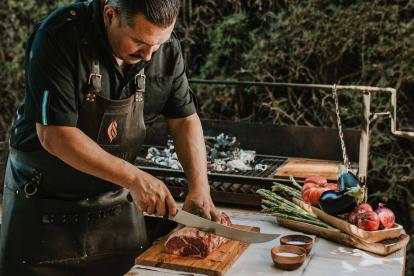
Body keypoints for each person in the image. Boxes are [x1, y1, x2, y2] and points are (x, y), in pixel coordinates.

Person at [0, 0, 221, 275]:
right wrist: (135, 178)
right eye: (139, 42)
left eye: (159, 44)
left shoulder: (163, 50)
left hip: (116, 208)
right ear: (109, 14)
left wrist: (199, 187)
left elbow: (185, 120)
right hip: (44, 209)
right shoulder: (58, 36)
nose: (150, 56)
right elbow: (55, 135)